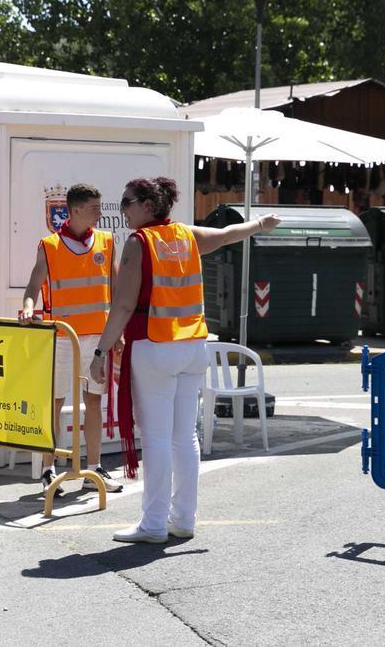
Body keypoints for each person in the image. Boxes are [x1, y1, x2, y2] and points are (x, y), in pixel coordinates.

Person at [90, 177, 279, 543]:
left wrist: (101, 351)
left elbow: (124, 304)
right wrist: (260, 225)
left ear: (147, 205)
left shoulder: (138, 242)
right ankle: (184, 520)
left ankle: (154, 525)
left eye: (127, 202)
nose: (123, 208)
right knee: (184, 437)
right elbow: (226, 235)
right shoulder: (186, 235)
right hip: (193, 345)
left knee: (158, 439)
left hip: (155, 345)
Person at [21, 183, 124, 496]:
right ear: (75, 209)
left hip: (98, 337)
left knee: (94, 401)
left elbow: (117, 292)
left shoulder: (106, 241)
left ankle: (94, 469)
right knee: (56, 401)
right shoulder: (49, 245)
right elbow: (32, 289)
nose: (99, 212)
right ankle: (49, 468)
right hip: (62, 336)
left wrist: (116, 333)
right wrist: (27, 309)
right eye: (94, 207)